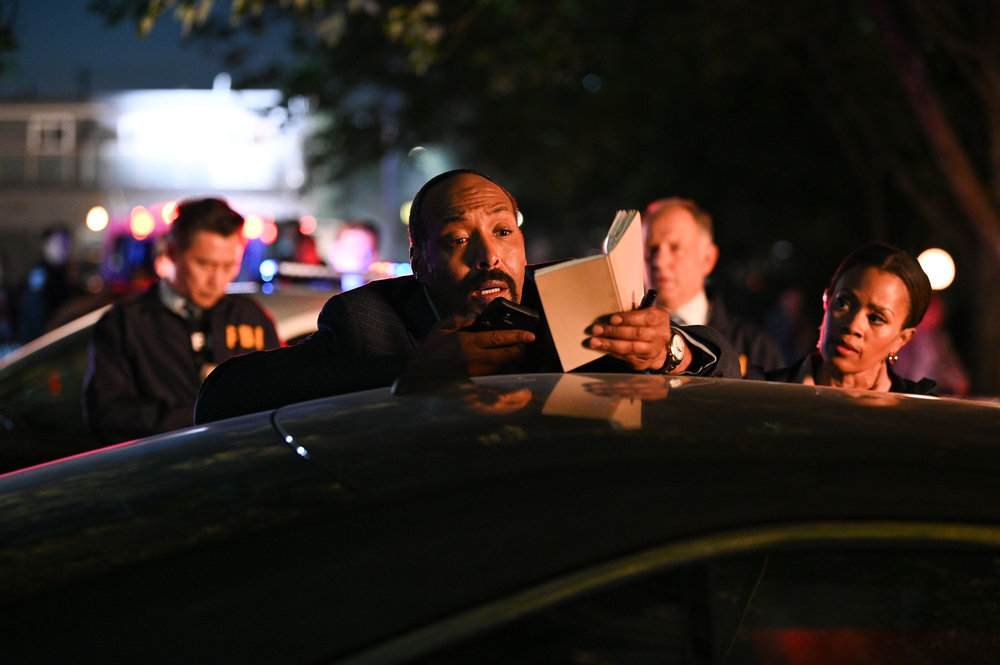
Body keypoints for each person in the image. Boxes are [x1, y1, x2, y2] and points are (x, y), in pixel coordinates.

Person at [195, 170, 741, 423]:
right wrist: (409, 374)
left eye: (504, 232)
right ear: (421, 262)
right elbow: (223, 397)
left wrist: (668, 351)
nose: (489, 256)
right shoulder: (369, 319)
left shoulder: (570, 295)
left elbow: (732, 374)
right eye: (458, 239)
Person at [83, 197, 281, 443]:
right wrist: (202, 415)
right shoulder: (125, 323)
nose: (217, 279)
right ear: (172, 252)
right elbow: (106, 414)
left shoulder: (252, 318)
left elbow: (280, 401)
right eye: (204, 264)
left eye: (229, 265)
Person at [755, 243, 935, 394]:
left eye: (876, 318)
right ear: (827, 300)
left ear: (901, 339)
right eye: (844, 303)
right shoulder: (765, 395)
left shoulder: (920, 417)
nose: (853, 325)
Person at [643, 197, 784, 376]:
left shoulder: (753, 346)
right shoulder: (619, 343)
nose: (660, 261)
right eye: (651, 248)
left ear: (708, 258)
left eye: (675, 248)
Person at [328, 218, 381, 291]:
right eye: (351, 248)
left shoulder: (381, 293)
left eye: (367, 251)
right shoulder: (314, 288)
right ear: (333, 250)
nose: (359, 257)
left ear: (376, 255)